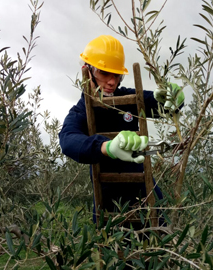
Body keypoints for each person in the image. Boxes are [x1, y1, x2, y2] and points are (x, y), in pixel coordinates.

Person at [59, 35, 184, 224]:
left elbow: (164, 106)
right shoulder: (80, 112)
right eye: (104, 73)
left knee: (163, 248)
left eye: (117, 75)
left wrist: (173, 98)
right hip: (109, 207)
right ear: (87, 70)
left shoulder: (129, 99)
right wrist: (106, 147)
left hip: (147, 197)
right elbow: (68, 140)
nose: (112, 81)